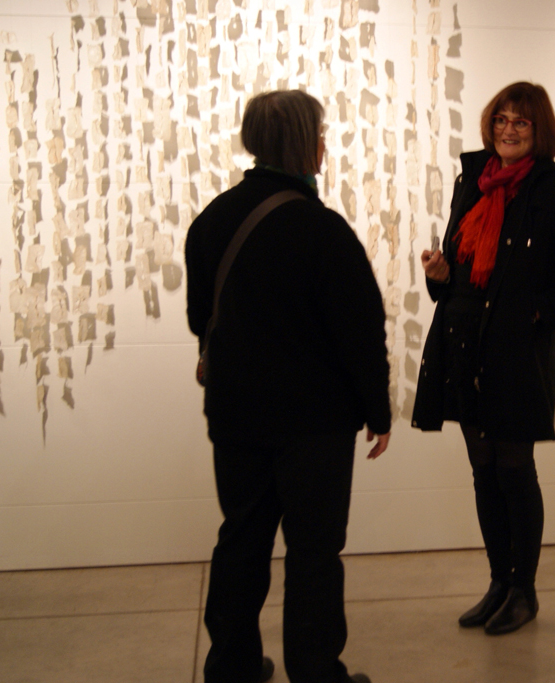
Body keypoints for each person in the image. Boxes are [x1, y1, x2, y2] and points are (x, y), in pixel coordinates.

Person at [185, 89, 390, 683]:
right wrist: (377, 409)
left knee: (241, 539)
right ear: (303, 144)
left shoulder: (213, 220)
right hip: (314, 425)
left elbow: (203, 319)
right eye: (320, 135)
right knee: (313, 552)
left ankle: (232, 665)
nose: (325, 146)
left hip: (236, 415)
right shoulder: (322, 229)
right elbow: (360, 330)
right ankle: (315, 669)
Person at [411, 81, 555, 635]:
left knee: (514, 468)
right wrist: (441, 273)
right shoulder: (471, 181)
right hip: (463, 340)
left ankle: (525, 589)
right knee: (482, 469)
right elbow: (458, 259)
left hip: (517, 349)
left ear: (539, 129)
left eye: (521, 121)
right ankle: (499, 579)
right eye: (501, 119)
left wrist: (539, 313)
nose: (509, 129)